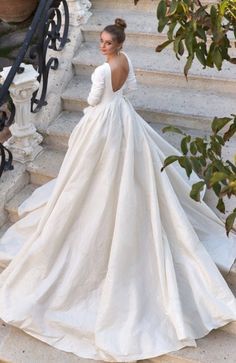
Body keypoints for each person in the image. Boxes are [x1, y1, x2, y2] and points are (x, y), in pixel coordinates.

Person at [0, 18, 235, 362]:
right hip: (124, 117)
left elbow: (94, 101)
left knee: (92, 174)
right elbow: (132, 89)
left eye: (108, 43)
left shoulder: (99, 72)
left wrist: (95, 112)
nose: (103, 46)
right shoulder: (127, 62)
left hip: (103, 121)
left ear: (118, 43)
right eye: (103, 42)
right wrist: (115, 100)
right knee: (121, 170)